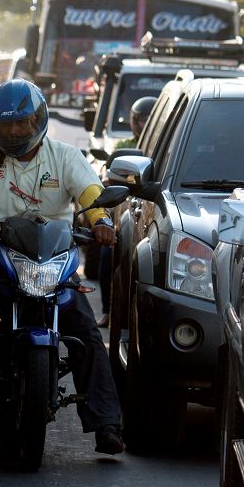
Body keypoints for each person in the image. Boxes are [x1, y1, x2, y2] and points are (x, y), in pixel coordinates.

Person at [0, 79, 125, 455]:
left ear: (38, 120)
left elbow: (90, 192)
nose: (13, 132)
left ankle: (106, 422)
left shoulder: (65, 156)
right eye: (5, 124)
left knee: (85, 329)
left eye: (21, 123)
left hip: (53, 255)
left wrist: (101, 221)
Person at [95, 95, 156, 327]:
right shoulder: (123, 147)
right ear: (133, 121)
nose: (143, 125)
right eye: (140, 120)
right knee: (106, 255)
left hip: (151, 209)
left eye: (148, 120)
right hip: (125, 207)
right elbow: (108, 175)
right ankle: (108, 311)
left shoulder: (160, 144)